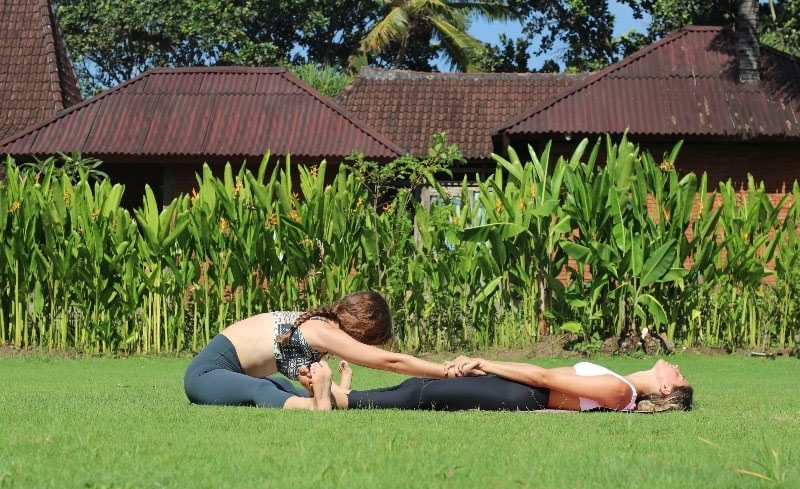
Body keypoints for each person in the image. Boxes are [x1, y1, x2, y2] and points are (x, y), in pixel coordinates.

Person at [183, 291, 456, 410]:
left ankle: (317, 399)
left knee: (280, 386)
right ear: (363, 330)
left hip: (233, 375)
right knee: (262, 391)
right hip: (204, 377)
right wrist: (445, 371)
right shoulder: (325, 332)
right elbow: (391, 362)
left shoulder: (319, 325)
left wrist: (339, 385)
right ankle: (314, 408)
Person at [306, 357, 692, 413]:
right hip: (521, 387)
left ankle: (335, 400)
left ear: (664, 391)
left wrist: (485, 362)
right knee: (419, 386)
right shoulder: (622, 384)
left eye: (678, 375)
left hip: (524, 392)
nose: (675, 366)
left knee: (421, 393)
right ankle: (341, 394)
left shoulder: (621, 392)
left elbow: (544, 378)